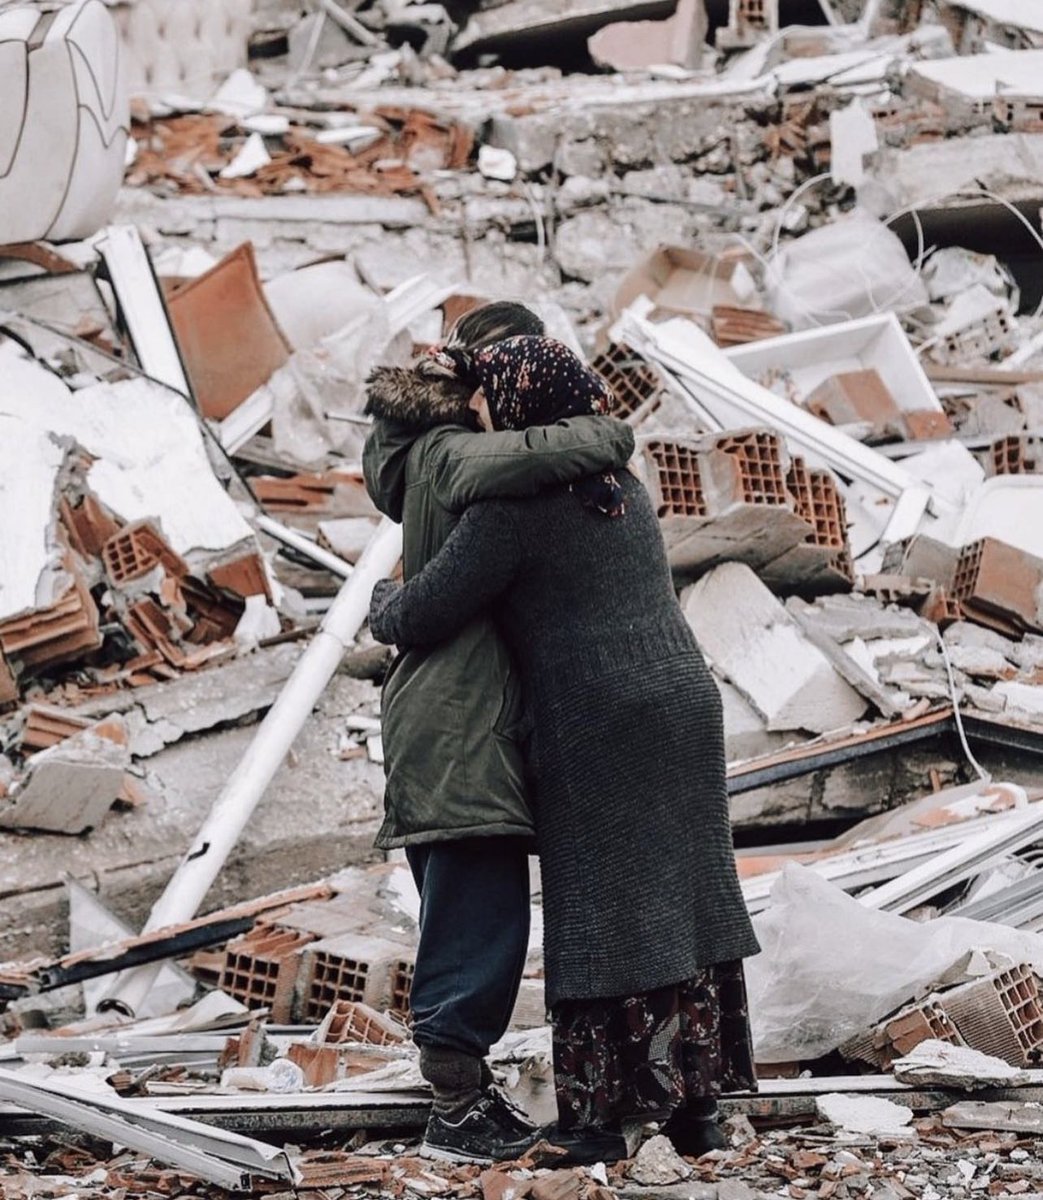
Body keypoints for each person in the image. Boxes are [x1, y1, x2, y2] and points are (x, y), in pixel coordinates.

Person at [368, 335, 760, 1161]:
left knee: (597, 914)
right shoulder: (626, 487)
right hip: (685, 704)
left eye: (485, 400)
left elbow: (422, 613)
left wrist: (381, 597)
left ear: (517, 408)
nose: (476, 415)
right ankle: (697, 1113)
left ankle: (593, 1126)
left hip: (598, 718)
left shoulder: (513, 514)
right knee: (683, 903)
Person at [362, 305, 636, 1165]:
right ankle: (453, 1113)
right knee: (476, 925)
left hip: (456, 718)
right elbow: (545, 450)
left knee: (472, 914)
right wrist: (608, 430)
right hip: (457, 725)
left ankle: (462, 1100)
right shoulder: (448, 458)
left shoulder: (414, 457)